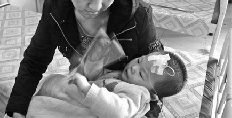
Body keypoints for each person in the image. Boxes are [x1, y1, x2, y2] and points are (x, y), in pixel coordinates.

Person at [5, 0, 164, 117]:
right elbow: (34, 62)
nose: (96, 7)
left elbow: (158, 81)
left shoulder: (138, 16)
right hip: (81, 92)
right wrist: (16, 109)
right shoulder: (55, 11)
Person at [26, 51, 188, 118]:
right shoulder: (123, 78)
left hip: (85, 108)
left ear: (152, 94)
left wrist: (86, 88)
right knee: (53, 81)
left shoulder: (138, 94)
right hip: (77, 96)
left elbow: (117, 111)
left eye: (141, 74)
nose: (133, 67)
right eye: (139, 60)